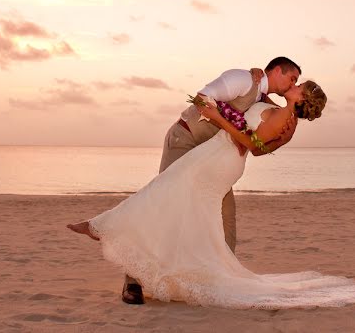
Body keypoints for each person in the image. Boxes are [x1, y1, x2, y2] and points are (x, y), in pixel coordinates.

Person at [68, 80, 355, 309]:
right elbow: (260, 149)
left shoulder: (282, 118)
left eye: (300, 85)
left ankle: (102, 227)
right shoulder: (285, 120)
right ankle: (117, 235)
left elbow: (250, 144)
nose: (295, 84)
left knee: (165, 189)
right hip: (220, 156)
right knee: (184, 205)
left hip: (220, 159)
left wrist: (217, 116)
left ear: (302, 97)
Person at [121, 57, 303, 304]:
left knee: (225, 216)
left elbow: (258, 145)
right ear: (278, 70)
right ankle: (132, 281)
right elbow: (201, 99)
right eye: (292, 78)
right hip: (185, 141)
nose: (293, 84)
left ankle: (224, 280)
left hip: (213, 158)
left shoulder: (265, 100)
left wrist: (281, 135)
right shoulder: (243, 79)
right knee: (166, 207)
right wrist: (226, 122)